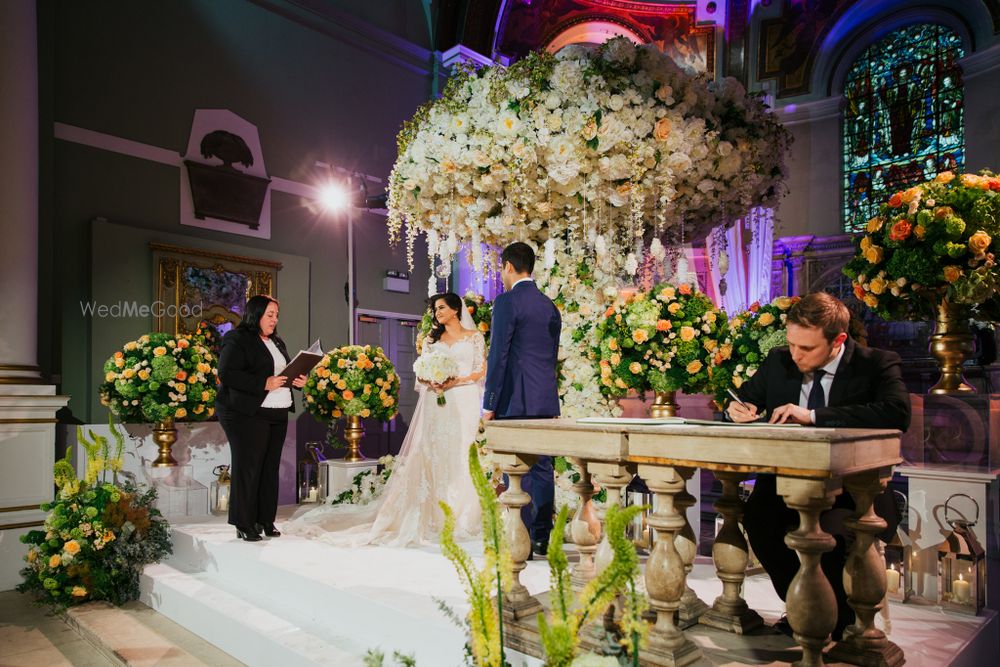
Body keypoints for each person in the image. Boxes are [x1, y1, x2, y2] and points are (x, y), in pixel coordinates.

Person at [727, 291, 911, 639]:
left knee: (834, 537)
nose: (795, 354)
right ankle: (803, 608)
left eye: (806, 348)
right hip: (783, 488)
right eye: (792, 343)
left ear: (838, 340)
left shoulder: (876, 363)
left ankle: (836, 623)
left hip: (854, 493)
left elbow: (898, 413)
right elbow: (744, 398)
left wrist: (812, 416)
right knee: (759, 521)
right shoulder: (779, 360)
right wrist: (736, 409)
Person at [284, 292, 486, 547]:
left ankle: (463, 516)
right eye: (435, 309)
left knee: (462, 454)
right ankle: (434, 514)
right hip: (437, 400)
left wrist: (456, 380)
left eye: (441, 308)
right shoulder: (432, 340)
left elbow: (481, 370)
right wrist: (432, 379)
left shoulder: (474, 337)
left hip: (464, 400)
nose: (437, 313)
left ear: (456, 310)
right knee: (433, 452)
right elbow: (421, 374)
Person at [483, 242, 561, 557]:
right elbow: (551, 357)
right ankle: (542, 536)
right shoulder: (549, 306)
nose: (502, 275)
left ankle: (522, 539)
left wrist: (489, 403)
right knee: (542, 470)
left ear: (509, 267)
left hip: (515, 401)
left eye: (502, 269)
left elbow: (499, 354)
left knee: (516, 470)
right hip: (544, 400)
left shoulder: (506, 302)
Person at [216, 295, 307, 542]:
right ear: (255, 314)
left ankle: (265, 519)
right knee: (248, 467)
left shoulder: (277, 342)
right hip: (245, 412)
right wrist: (263, 383)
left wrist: (299, 380)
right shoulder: (236, 338)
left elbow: (282, 373)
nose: (275, 319)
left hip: (277, 410)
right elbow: (226, 373)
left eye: (277, 315)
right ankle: (243, 523)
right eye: (270, 314)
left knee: (269, 469)